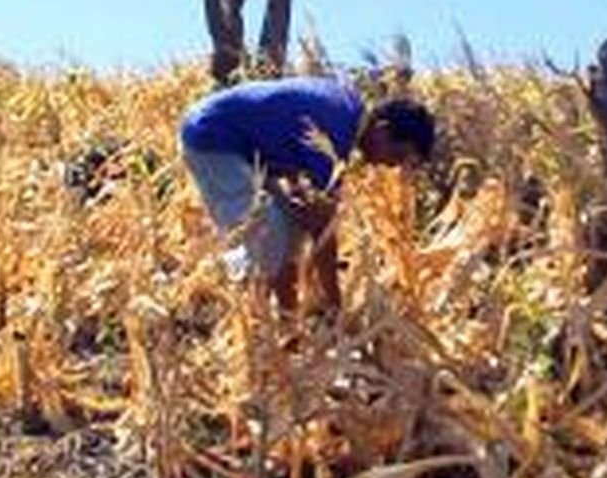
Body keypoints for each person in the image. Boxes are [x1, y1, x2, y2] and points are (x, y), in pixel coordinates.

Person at [178, 74, 435, 313]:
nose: (389, 164)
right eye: (396, 155)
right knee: (269, 230)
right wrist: (337, 309)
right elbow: (324, 233)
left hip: (242, 146)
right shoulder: (334, 136)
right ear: (382, 128)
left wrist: (300, 197)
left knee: (289, 226)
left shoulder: (347, 110)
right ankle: (284, 327)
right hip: (211, 138)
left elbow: (289, 132)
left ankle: (272, 308)